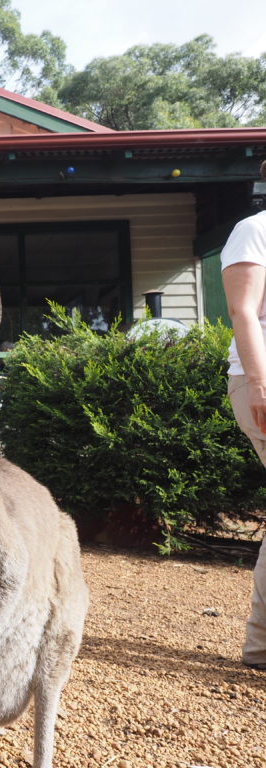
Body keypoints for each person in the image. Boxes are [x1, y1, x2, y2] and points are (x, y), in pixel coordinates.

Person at [221, 158, 266, 670]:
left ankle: (260, 646)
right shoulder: (253, 231)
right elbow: (244, 312)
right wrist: (259, 383)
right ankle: (259, 646)